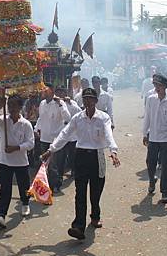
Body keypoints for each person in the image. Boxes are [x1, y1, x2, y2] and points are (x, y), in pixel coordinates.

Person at [41, 88, 120, 240]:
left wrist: (113, 151)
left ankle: (95, 215)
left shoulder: (103, 117)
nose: (88, 102)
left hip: (97, 156)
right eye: (85, 99)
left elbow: (108, 134)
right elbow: (65, 134)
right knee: (80, 192)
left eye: (90, 99)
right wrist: (51, 150)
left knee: (96, 191)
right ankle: (78, 226)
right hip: (81, 156)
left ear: (96, 101)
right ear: (83, 101)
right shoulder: (77, 118)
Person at [0, 94, 35, 228]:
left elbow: (30, 143)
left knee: (23, 185)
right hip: (4, 160)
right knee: (5, 188)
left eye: (14, 105)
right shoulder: (3, 120)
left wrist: (16, 148)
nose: (11, 108)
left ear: (20, 107)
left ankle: (25, 203)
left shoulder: (26, 124)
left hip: (20, 161)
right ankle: (1, 214)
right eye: (9, 105)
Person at [143, 74, 167, 204]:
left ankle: (165, 192)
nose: (157, 88)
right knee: (150, 163)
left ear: (165, 86)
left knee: (165, 166)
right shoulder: (151, 99)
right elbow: (147, 116)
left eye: (159, 85)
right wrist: (144, 133)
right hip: (153, 137)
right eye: (155, 85)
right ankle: (152, 181)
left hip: (165, 139)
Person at [35, 83, 71, 193]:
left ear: (51, 90)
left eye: (44, 89)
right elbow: (41, 118)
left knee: (55, 164)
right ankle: (48, 184)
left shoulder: (59, 103)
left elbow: (68, 118)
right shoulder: (42, 103)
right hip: (44, 138)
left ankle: (56, 184)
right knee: (46, 164)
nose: (42, 91)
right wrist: (36, 129)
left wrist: (61, 104)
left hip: (56, 139)